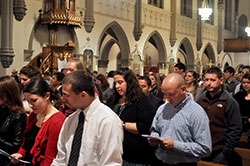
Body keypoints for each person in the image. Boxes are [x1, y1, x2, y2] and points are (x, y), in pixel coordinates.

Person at [51, 70, 123, 165]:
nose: (63, 99)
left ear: (83, 95)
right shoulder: (70, 120)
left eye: (67, 95)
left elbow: (111, 163)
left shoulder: (107, 121)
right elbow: (60, 160)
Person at [149, 73, 212, 166]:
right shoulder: (162, 108)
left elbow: (204, 148)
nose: (167, 98)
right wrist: (154, 137)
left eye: (171, 94)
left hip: (183, 163)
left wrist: (175, 145)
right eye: (165, 94)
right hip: (160, 160)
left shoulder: (196, 112)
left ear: (183, 89)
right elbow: (155, 129)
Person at [106, 68, 160, 165]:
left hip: (134, 156)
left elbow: (145, 127)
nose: (117, 86)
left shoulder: (141, 100)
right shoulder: (113, 99)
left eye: (120, 82)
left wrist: (122, 124)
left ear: (129, 82)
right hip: (114, 152)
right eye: (115, 83)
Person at [11, 79, 66, 166]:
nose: (30, 105)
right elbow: (26, 143)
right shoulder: (33, 115)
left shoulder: (57, 121)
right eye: (28, 101)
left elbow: (50, 159)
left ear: (47, 96)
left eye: (34, 100)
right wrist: (20, 154)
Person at [197, 67, 242, 165]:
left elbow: (235, 129)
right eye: (206, 80)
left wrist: (226, 152)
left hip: (219, 152)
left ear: (221, 81)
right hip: (201, 150)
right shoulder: (200, 100)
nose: (209, 83)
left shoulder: (229, 101)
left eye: (213, 80)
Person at [0, 76, 27, 166]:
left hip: (8, 161)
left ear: (7, 94)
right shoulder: (2, 109)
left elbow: (16, 145)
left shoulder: (18, 115)